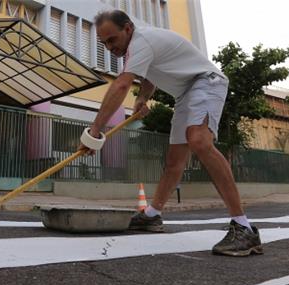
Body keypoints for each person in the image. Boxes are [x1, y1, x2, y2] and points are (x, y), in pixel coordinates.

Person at [78, 10, 262, 257]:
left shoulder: (141, 41)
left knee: (198, 139)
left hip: (207, 81)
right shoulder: (137, 48)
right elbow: (150, 77)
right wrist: (143, 97)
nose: (109, 47)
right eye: (104, 43)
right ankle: (152, 216)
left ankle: (244, 227)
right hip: (186, 93)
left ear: (128, 29)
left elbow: (121, 84)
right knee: (174, 161)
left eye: (112, 40)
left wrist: (95, 130)